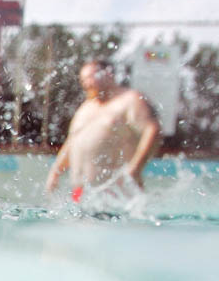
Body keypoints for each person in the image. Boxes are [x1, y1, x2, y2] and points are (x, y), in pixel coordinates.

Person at [45, 59, 160, 204]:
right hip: (80, 193)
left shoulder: (130, 100)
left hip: (115, 194)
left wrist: (136, 168)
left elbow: (152, 130)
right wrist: (55, 172)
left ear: (108, 74)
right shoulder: (86, 107)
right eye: (83, 79)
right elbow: (73, 142)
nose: (86, 83)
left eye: (90, 77)